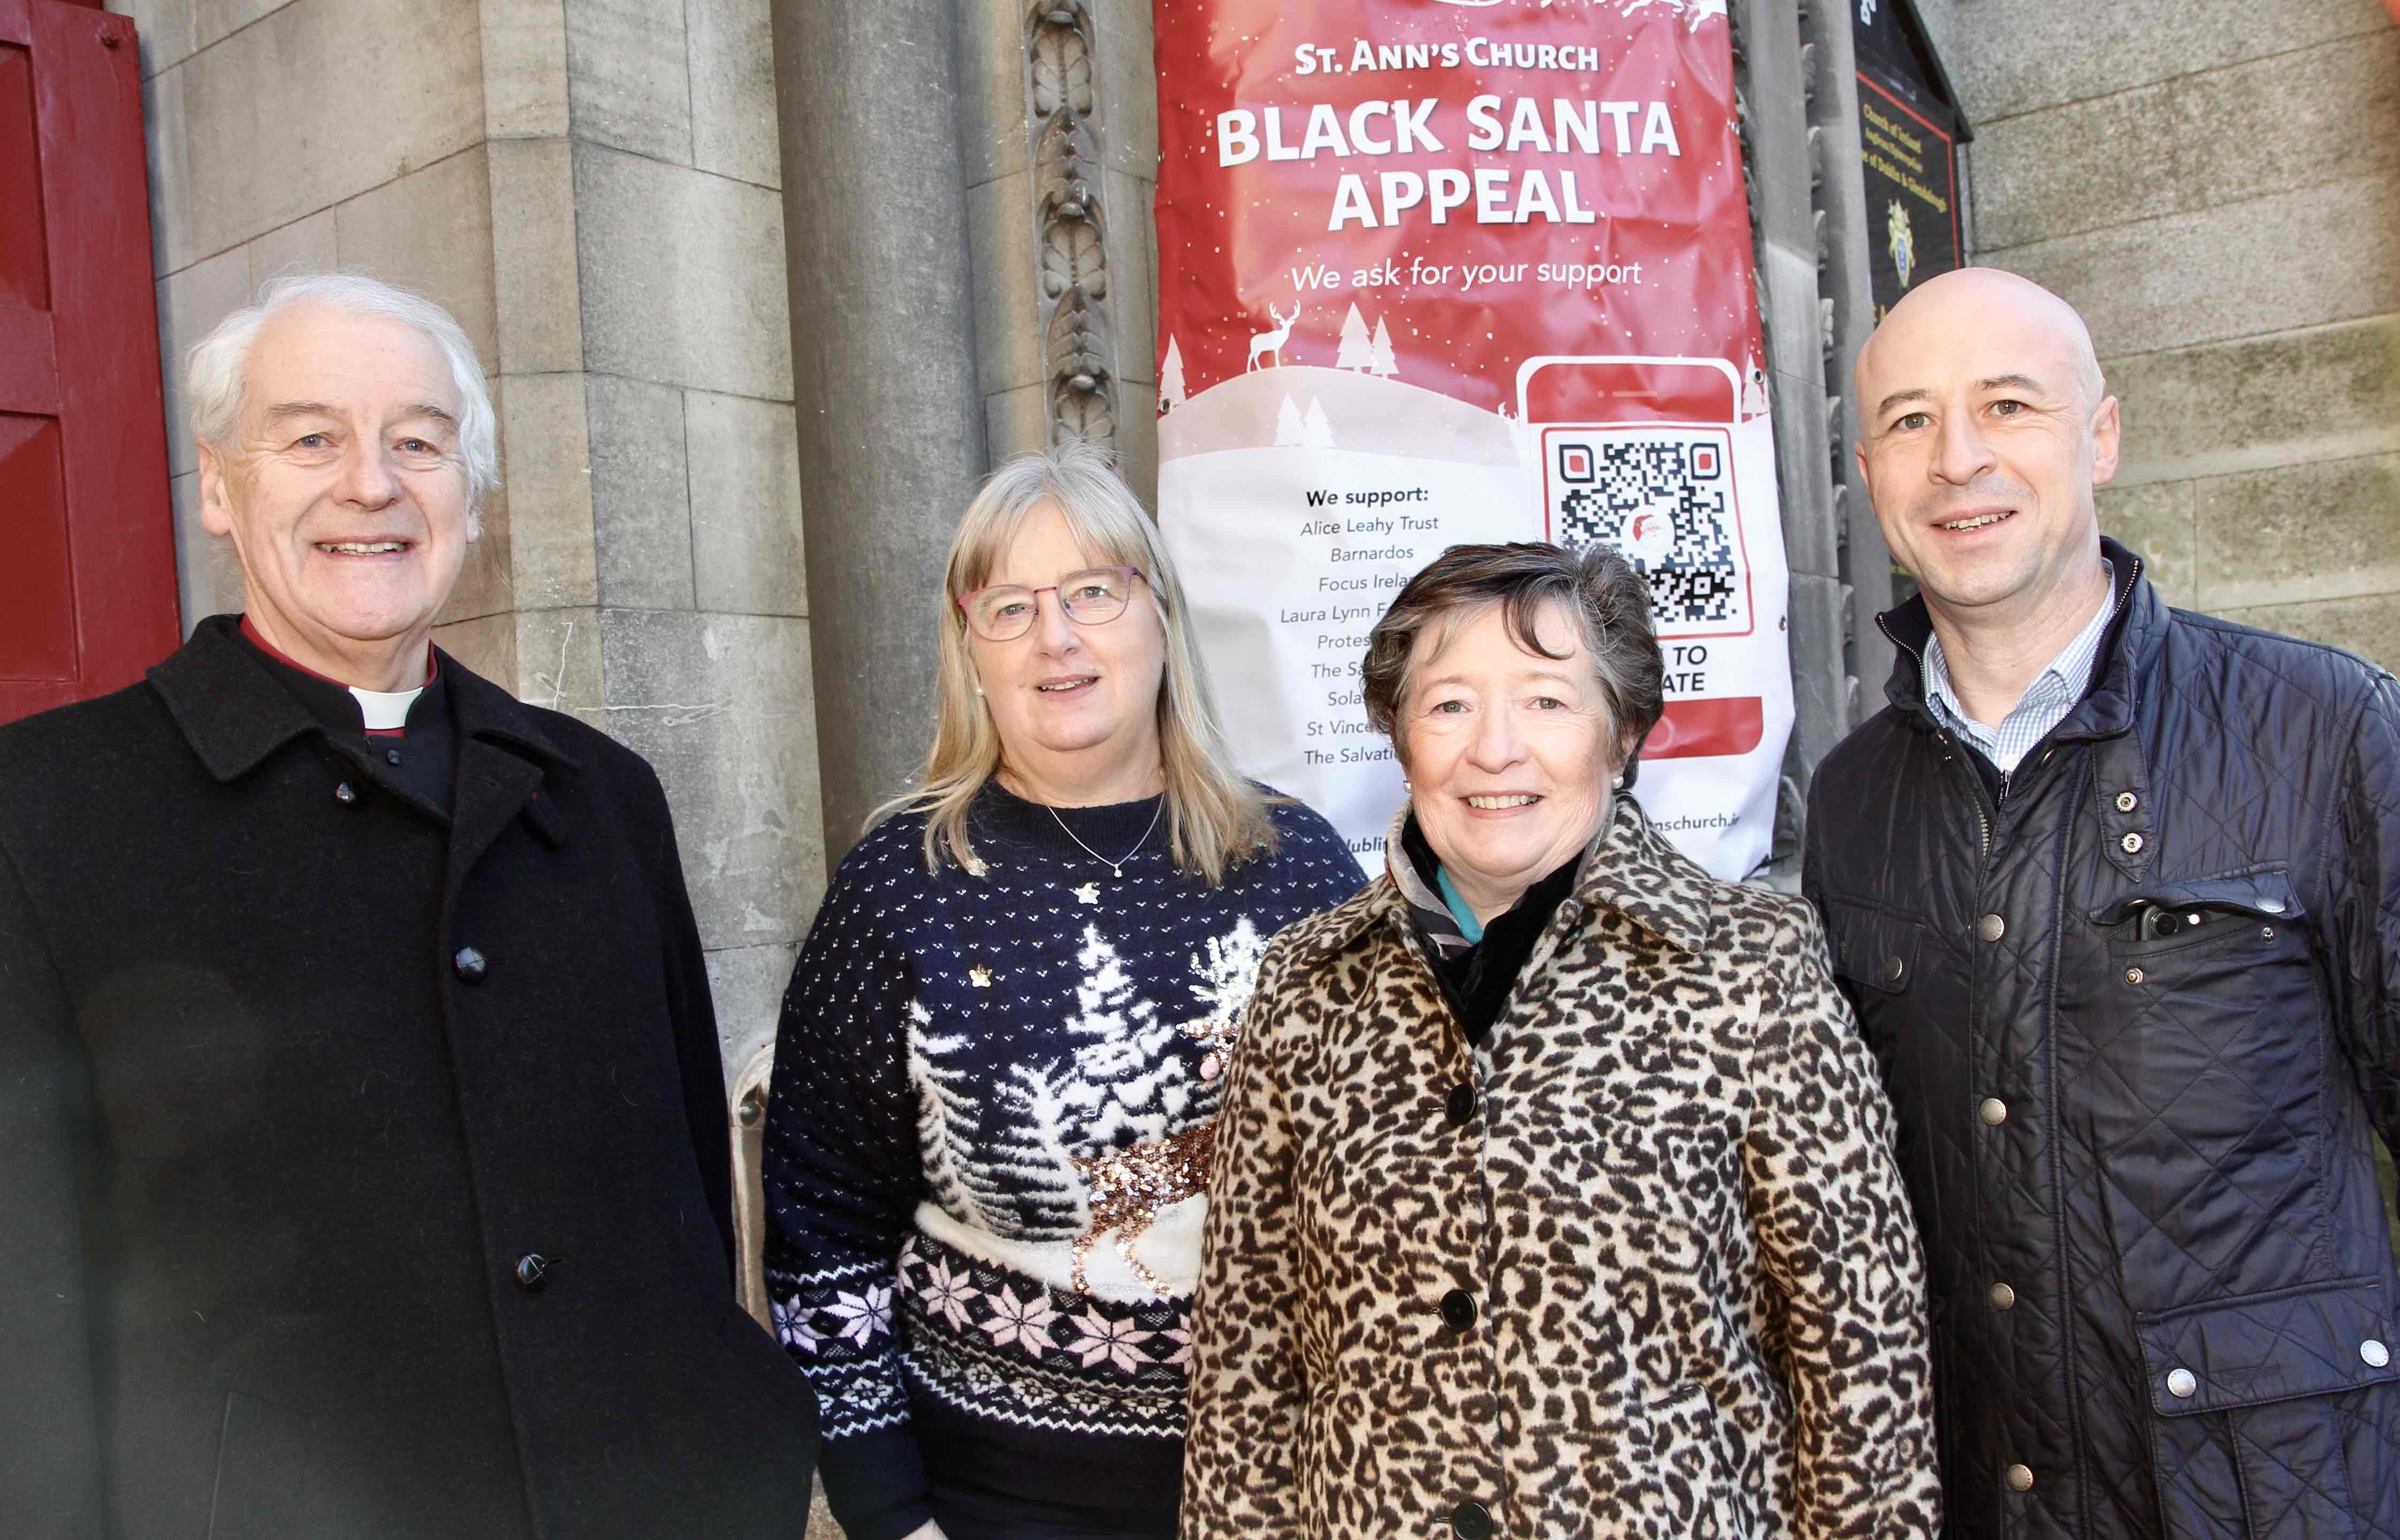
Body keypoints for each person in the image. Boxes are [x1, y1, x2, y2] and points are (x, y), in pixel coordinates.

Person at [0, 273, 818, 1538]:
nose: (370, 484)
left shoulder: (601, 794)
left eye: (419, 442)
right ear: (219, 486)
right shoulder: (43, 812)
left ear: (472, 499)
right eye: (312, 436)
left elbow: (685, 1200)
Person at [1184, 542, 1942, 1538]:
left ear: (1620, 732)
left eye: (1547, 701)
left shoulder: (1749, 969)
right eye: (1448, 702)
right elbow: (1247, 1366)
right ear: (1399, 734)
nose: (1495, 748)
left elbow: (1861, 1358)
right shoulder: (1304, 988)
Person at [1806, 265, 2400, 1537]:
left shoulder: (2319, 728)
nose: (1956, 458)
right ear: (1869, 473)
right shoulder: (1852, 798)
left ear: (2101, 436)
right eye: (1909, 420)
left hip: (2274, 1494)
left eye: (2007, 405)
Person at [760, 443, 1361, 1540]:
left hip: (1285, 1489)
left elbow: (1380, 1192)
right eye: (1010, 606)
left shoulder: (1298, 864)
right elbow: (821, 1227)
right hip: (993, 1500)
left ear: (1158, 616)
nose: (1056, 637)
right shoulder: (900, 882)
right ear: (968, 646)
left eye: (1093, 590)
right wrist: (889, 1514)